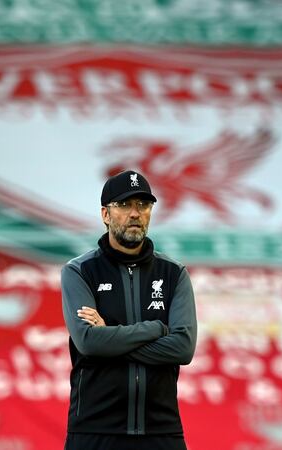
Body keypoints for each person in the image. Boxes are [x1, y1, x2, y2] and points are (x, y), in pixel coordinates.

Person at [60, 170, 198, 450]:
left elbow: (183, 348)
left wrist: (109, 336)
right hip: (94, 431)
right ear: (105, 214)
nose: (135, 213)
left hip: (161, 432)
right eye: (124, 205)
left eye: (143, 205)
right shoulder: (80, 271)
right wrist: (155, 329)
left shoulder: (174, 274)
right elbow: (88, 341)